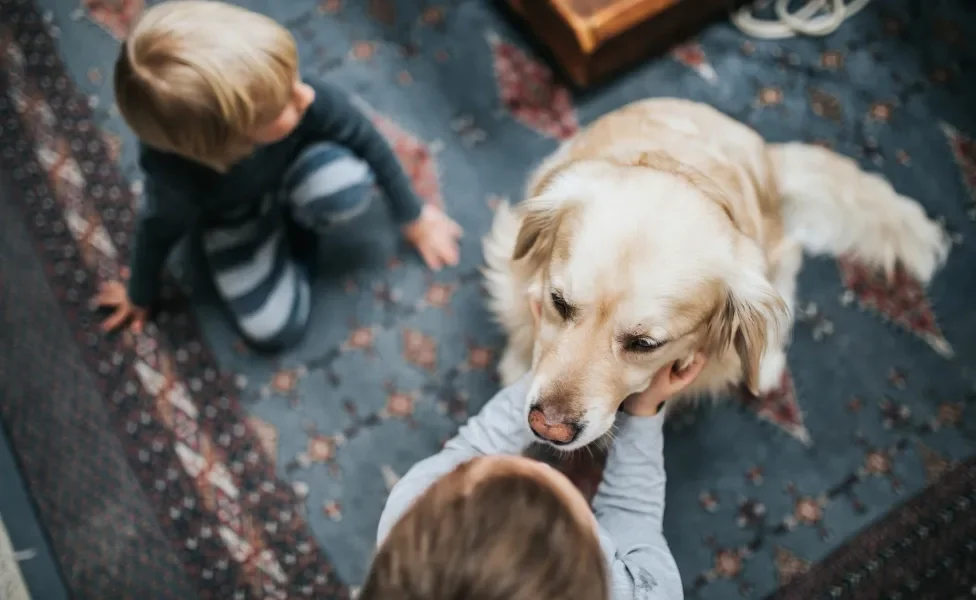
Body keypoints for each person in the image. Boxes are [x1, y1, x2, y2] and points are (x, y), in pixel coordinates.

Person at [95, 0, 462, 350]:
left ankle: (294, 223)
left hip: (298, 163)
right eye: (283, 101)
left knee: (348, 187)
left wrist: (414, 216)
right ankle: (289, 238)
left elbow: (365, 136)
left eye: (293, 77)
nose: (305, 95)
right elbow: (155, 232)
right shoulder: (176, 183)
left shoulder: (300, 98)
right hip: (235, 216)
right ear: (232, 141)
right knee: (274, 330)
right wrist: (139, 294)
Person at [362, 355, 707, 600]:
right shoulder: (648, 591)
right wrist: (643, 410)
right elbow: (632, 515)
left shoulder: (410, 511)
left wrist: (551, 358)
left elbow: (476, 443)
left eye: (476, 468)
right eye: (558, 485)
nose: (546, 456)